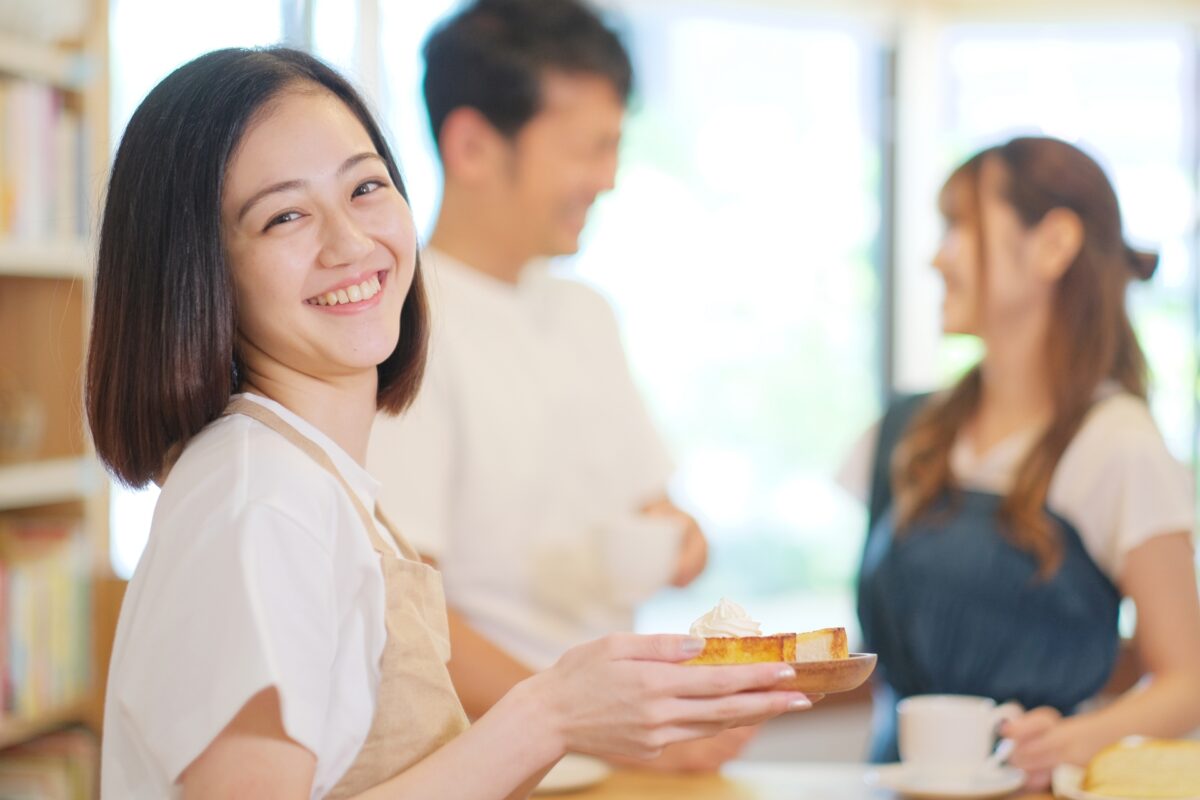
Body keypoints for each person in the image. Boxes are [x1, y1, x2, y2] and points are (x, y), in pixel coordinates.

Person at [87, 47, 811, 799]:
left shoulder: (313, 481)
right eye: (285, 216)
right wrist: (550, 711)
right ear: (200, 272)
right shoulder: (259, 504)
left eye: (366, 187)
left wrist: (573, 714)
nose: (351, 242)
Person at [367, 0, 731, 772]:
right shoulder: (397, 325)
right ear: (472, 145)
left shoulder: (585, 313)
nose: (607, 178)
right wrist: (585, 722)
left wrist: (681, 540)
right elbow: (405, 617)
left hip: (614, 754)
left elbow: (652, 510)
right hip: (492, 764)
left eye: (614, 146)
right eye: (587, 149)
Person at [840, 136, 1200, 789]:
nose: (935, 257)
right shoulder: (905, 431)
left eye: (958, 226)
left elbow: (1186, 682)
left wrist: (1069, 740)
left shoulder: (1118, 445)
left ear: (1053, 244)